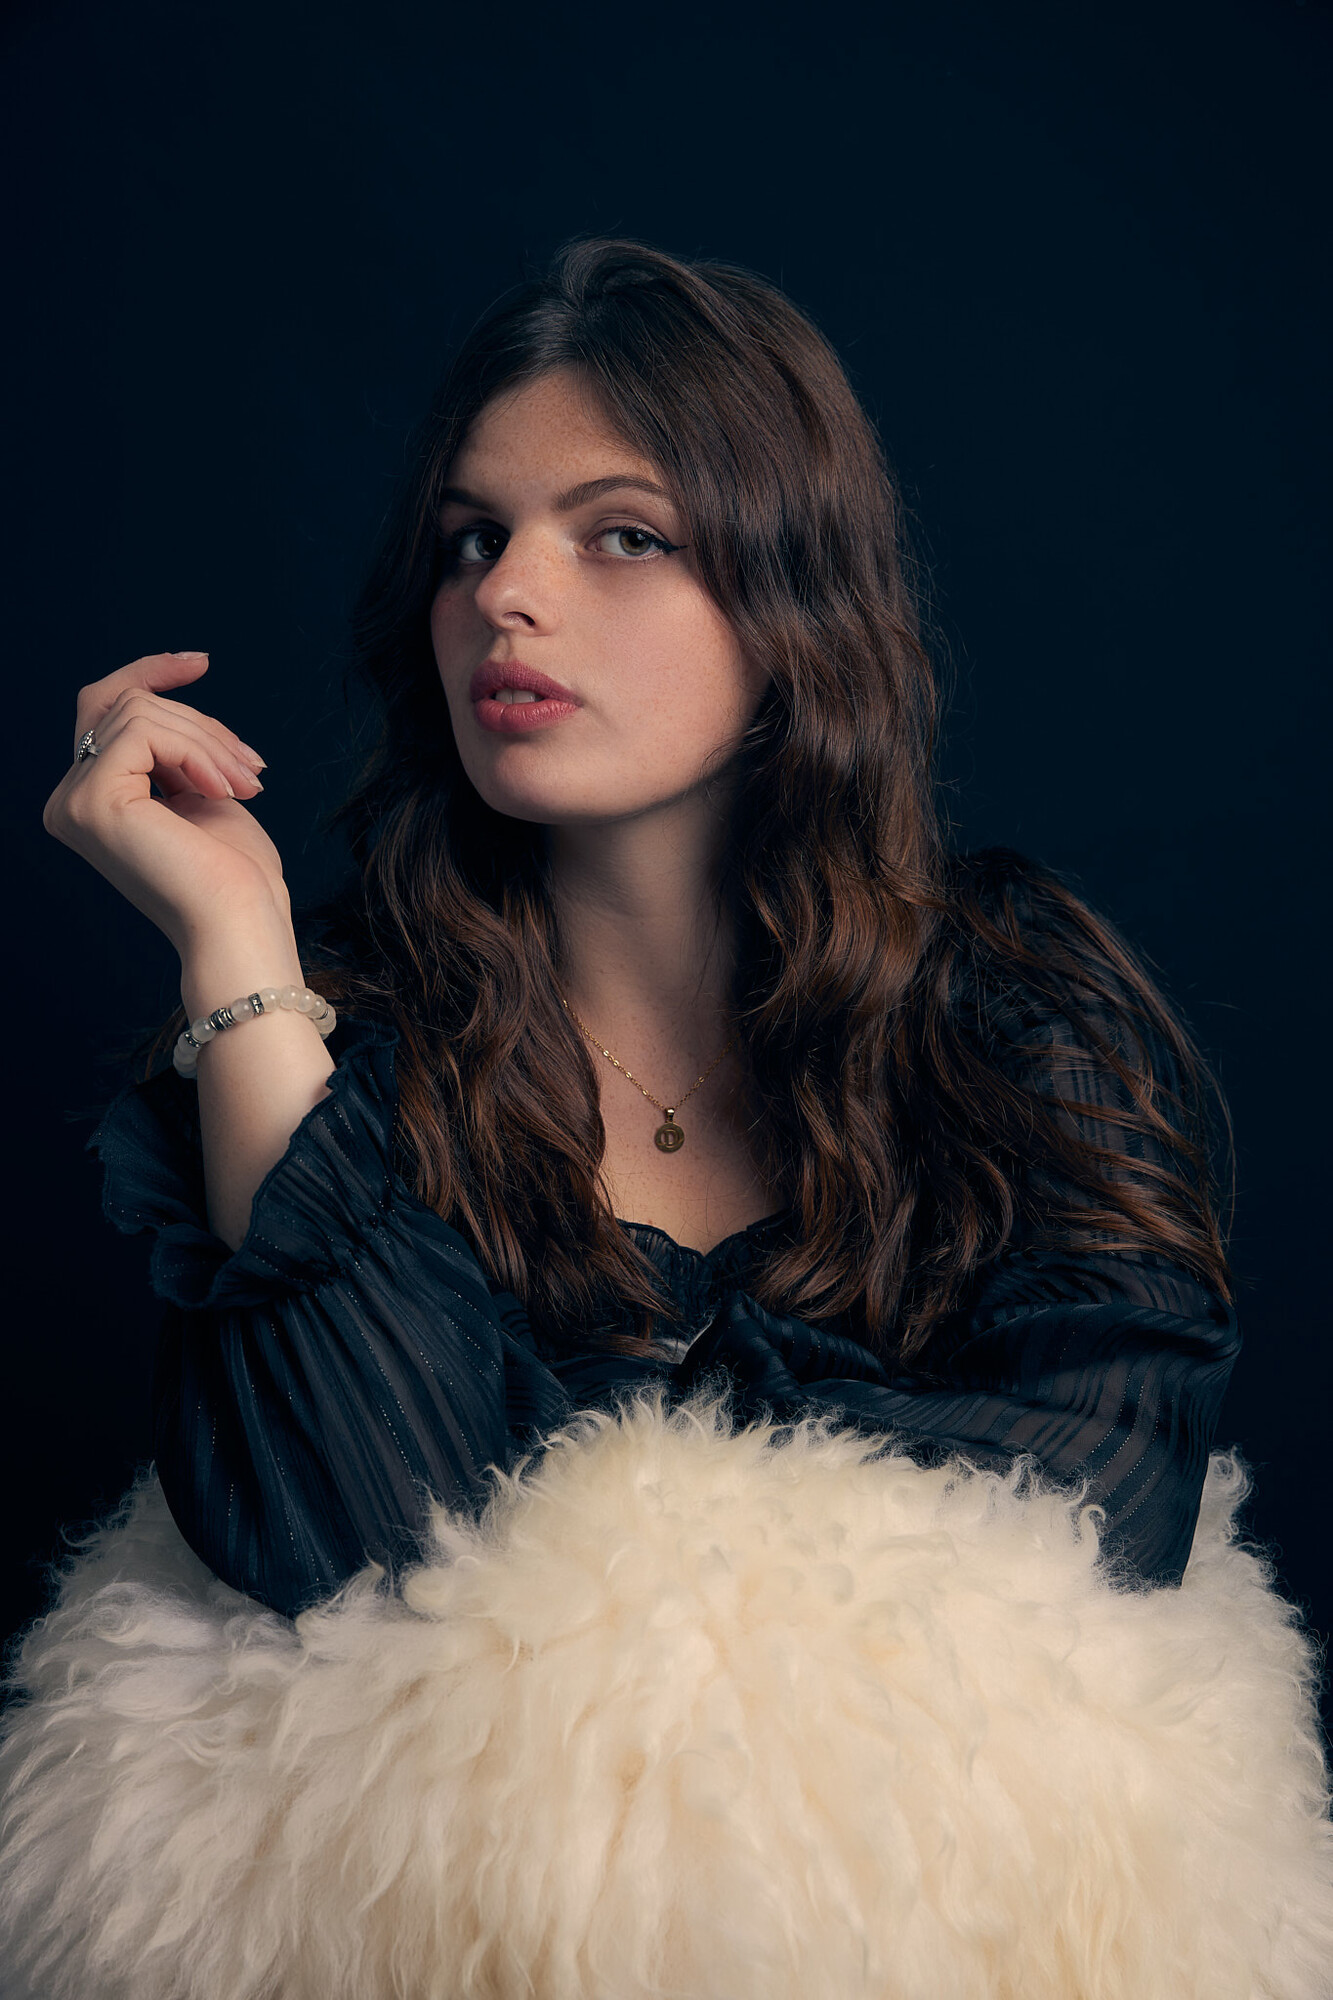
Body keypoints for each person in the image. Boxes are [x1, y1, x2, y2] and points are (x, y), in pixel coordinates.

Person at [41, 236, 1242, 1624]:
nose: (504, 593)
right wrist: (239, 947)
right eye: (472, 539)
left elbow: (1104, 1503)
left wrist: (549, 1490)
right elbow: (348, 1550)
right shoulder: (343, 1045)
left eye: (623, 535)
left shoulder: (1009, 1007)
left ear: (793, 597)